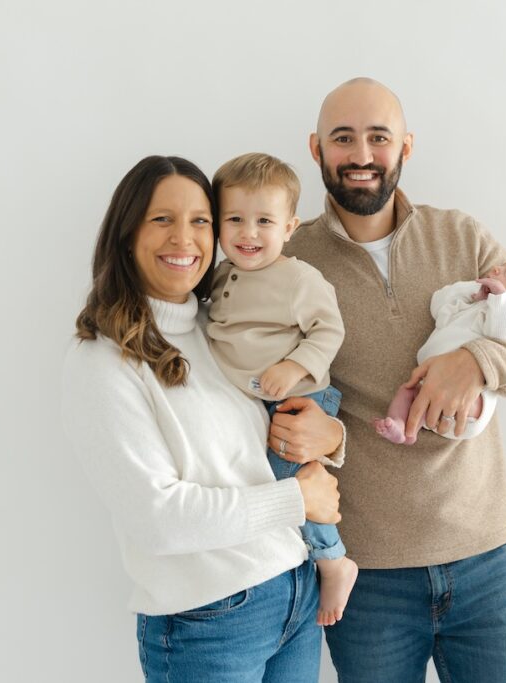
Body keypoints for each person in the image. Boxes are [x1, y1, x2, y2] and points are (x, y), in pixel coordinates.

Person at [285, 78, 506, 682]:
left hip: (487, 562)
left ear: (406, 148)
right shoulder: (291, 262)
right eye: (343, 138)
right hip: (366, 580)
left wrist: (477, 363)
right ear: (316, 149)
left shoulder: (460, 237)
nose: (362, 155)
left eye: (378, 137)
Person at [61, 155, 345, 682]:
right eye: (161, 219)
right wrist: (294, 500)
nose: (184, 238)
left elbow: (266, 434)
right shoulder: (103, 363)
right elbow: (158, 519)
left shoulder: (217, 329)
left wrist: (330, 435)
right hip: (210, 621)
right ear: (126, 234)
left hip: (294, 593)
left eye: (200, 220)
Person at [206, 152, 359, 626]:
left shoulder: (298, 279)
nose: (248, 233)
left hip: (300, 399)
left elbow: (328, 331)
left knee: (289, 484)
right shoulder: (219, 276)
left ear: (290, 227)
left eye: (264, 221)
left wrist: (294, 366)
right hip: (257, 401)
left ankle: (333, 560)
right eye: (235, 219)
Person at [374, 248, 506, 445]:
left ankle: (416, 424)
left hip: (474, 403)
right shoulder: (477, 303)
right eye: (504, 266)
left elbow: (501, 333)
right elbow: (438, 305)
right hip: (428, 381)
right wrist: (473, 290)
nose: (497, 268)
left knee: (432, 398)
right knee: (407, 391)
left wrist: (500, 299)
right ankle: (400, 426)